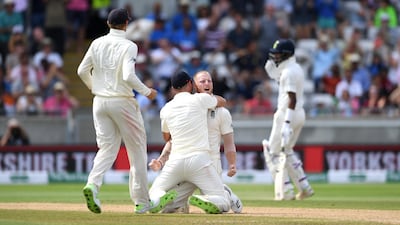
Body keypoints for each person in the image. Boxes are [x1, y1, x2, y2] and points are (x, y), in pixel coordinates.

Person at [77, 8, 173, 214]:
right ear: (126, 24)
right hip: (122, 101)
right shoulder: (129, 45)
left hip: (100, 102)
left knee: (107, 148)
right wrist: (148, 92)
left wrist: (95, 88)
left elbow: (81, 71)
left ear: (108, 23)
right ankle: (141, 202)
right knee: (137, 150)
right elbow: (129, 76)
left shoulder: (96, 43)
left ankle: (93, 184)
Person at [148, 70, 242, 214]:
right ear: (192, 84)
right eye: (202, 81)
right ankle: (218, 196)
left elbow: (167, 137)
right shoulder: (199, 100)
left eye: (209, 81)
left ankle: (222, 194)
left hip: (186, 162)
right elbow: (222, 101)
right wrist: (161, 160)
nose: (206, 84)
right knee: (220, 203)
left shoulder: (167, 108)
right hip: (201, 162)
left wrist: (232, 164)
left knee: (155, 195)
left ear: (173, 89)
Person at [262, 39, 314, 201]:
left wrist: (285, 123)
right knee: (287, 151)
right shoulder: (294, 68)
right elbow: (283, 82)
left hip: (287, 114)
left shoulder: (289, 72)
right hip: (299, 114)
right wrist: (272, 73)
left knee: (272, 152)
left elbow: (292, 98)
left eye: (278, 54)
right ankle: (304, 187)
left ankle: (285, 191)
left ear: (286, 54)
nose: (275, 57)